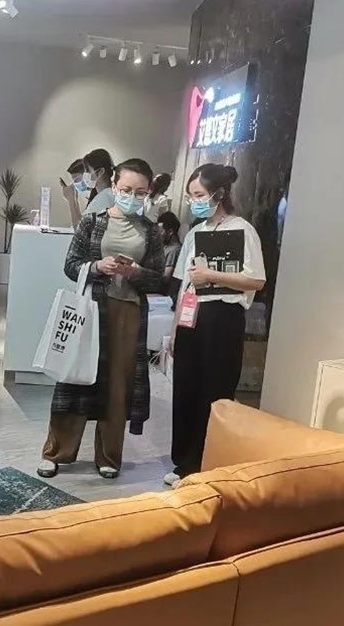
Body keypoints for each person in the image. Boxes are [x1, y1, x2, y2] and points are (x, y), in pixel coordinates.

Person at [37, 159, 166, 480]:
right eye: (126, 189)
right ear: (114, 187)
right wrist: (97, 266)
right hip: (90, 309)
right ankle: (56, 452)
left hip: (128, 314)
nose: (132, 197)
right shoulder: (92, 222)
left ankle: (109, 456)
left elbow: (158, 279)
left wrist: (135, 272)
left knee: (118, 386)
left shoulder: (151, 231)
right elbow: (71, 264)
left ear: (148, 193)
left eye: (140, 192)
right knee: (74, 378)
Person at [166, 164, 265, 487]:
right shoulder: (195, 232)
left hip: (223, 317)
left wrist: (212, 276)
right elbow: (184, 284)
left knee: (215, 390)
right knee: (185, 388)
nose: (194, 201)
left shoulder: (242, 230)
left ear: (218, 194)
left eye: (199, 195)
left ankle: (205, 462)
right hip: (191, 315)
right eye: (191, 196)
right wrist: (174, 329)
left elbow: (256, 280)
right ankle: (183, 461)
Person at [157, 211, 183, 280]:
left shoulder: (174, 251)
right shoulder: (166, 248)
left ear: (170, 231)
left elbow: (165, 277)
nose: (158, 235)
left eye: (160, 231)